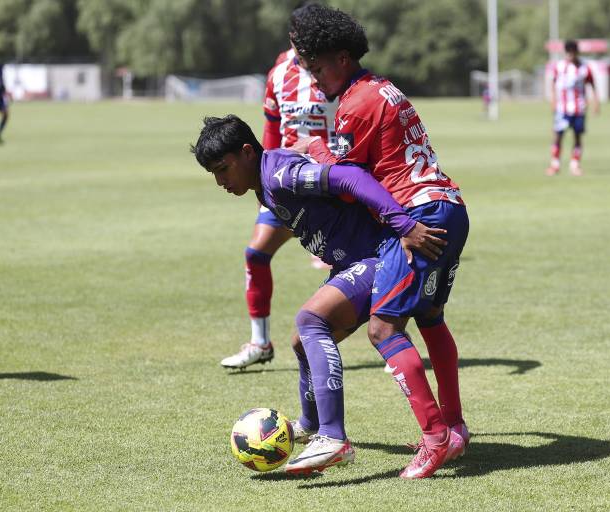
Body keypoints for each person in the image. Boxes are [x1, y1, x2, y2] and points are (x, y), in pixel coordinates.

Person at [191, 115, 455, 476]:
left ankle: (334, 438)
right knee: (303, 341)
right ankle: (313, 424)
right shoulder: (266, 185)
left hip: (379, 254)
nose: (221, 181)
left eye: (224, 169)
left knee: (311, 320)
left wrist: (402, 224)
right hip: (354, 261)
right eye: (214, 174)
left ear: (248, 152)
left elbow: (351, 178)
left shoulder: (279, 175)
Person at [289, 4, 469, 479]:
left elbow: (349, 178)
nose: (315, 79)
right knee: (430, 317)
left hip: (416, 216)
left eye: (318, 68)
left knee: (383, 330)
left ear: (342, 58)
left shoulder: (356, 103)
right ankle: (454, 427)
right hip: (448, 204)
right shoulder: (386, 87)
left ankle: (435, 439)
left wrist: (317, 150)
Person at [218, 47, 338, 370]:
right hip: (282, 182)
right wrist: (262, 180)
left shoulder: (336, 67)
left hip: (327, 183)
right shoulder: (279, 74)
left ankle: (392, 330)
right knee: (256, 254)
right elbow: (270, 131)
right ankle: (260, 342)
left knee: (360, 258)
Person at [546, 39, 600, 177]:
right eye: (568, 53)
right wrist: (553, 100)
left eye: (573, 53)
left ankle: (575, 165)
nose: (570, 55)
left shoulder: (584, 68)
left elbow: (592, 85)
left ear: (577, 52)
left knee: (577, 137)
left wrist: (595, 103)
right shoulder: (559, 67)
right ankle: (555, 164)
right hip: (562, 109)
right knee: (558, 136)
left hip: (579, 109)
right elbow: (552, 83)